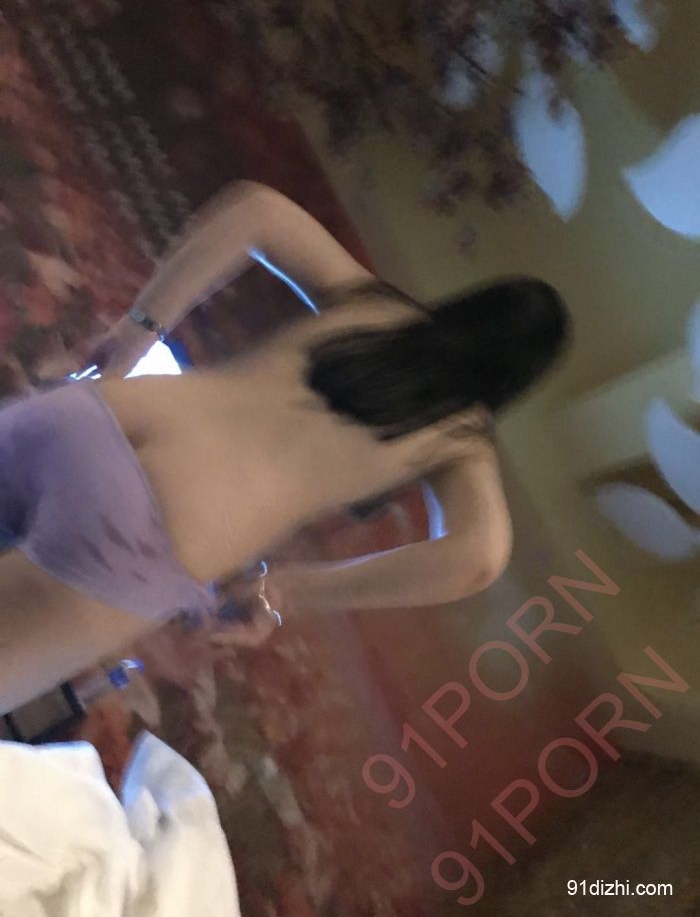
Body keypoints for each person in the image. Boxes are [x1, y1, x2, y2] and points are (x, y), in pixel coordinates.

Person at [0, 181, 570, 712]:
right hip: (142, 533)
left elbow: (258, 210)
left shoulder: (373, 307)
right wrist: (287, 592)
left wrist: (138, 330)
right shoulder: (462, 443)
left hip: (96, 420)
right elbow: (478, 559)